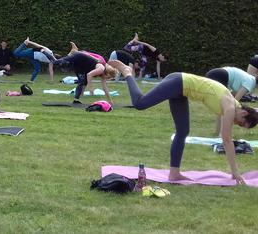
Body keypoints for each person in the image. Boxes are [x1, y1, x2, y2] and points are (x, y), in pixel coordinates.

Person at [109, 59, 258, 185]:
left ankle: (174, 173)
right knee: (140, 103)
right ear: (244, 113)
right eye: (240, 123)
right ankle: (128, 72)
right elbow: (226, 139)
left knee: (183, 131)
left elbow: (225, 135)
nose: (237, 124)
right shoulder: (231, 107)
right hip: (178, 82)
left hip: (182, 91)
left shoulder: (232, 105)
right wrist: (235, 172)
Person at [42, 50, 116, 104]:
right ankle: (43, 51)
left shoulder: (103, 74)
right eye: (109, 77)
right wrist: (91, 89)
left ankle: (76, 100)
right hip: (79, 57)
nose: (108, 79)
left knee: (83, 82)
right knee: (58, 63)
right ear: (108, 73)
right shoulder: (101, 68)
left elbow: (104, 87)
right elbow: (89, 75)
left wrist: (110, 100)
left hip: (82, 66)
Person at [205, 66, 257, 134]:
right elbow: (235, 100)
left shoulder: (250, 79)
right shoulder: (250, 83)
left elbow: (231, 95)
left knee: (222, 108)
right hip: (219, 75)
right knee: (226, 108)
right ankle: (221, 134)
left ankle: (217, 133)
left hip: (215, 73)